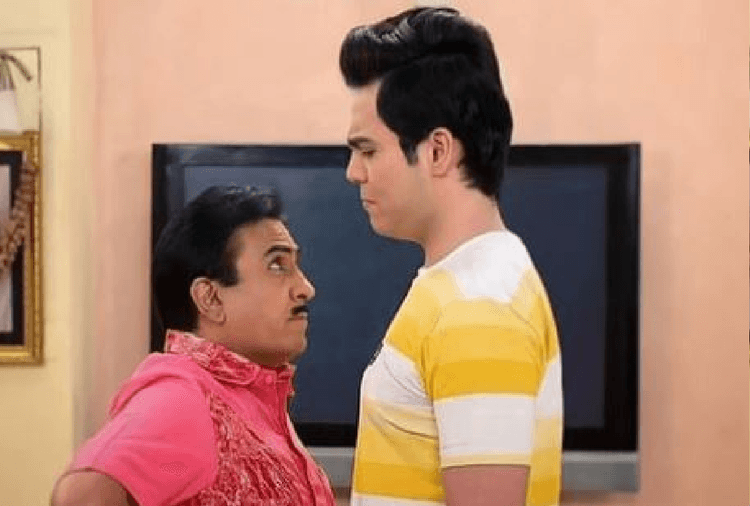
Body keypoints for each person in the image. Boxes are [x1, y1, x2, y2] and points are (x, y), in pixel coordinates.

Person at [340, 7, 563, 506]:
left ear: (438, 151)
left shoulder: (478, 305)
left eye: (368, 150)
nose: (353, 172)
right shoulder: (470, 286)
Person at [51, 186, 336, 506]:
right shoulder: (184, 397)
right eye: (276, 265)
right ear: (210, 298)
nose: (305, 288)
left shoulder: (248, 400)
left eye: (296, 265)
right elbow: (84, 494)